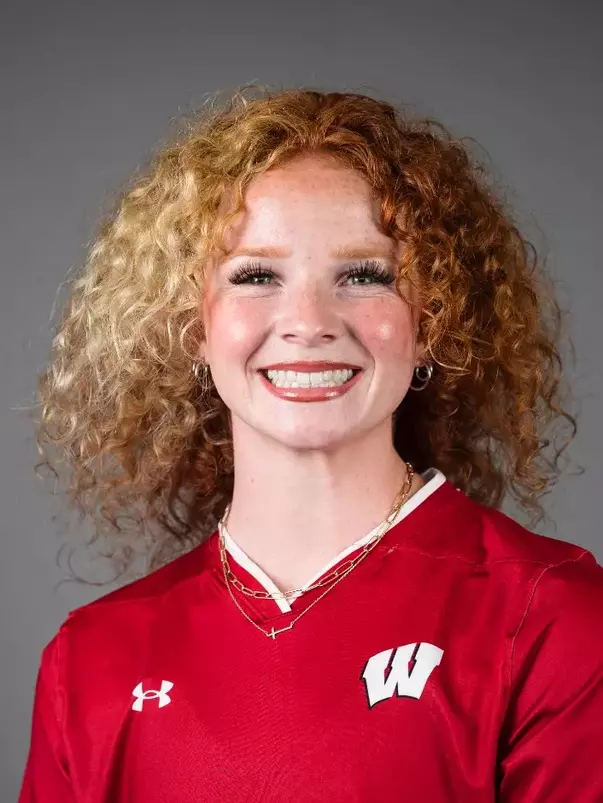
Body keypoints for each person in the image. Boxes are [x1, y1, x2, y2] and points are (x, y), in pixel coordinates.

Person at [19, 86, 603, 802]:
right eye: (256, 275)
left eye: (363, 275)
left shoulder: (552, 620)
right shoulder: (91, 658)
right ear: (192, 326)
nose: (307, 320)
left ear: (433, 320)